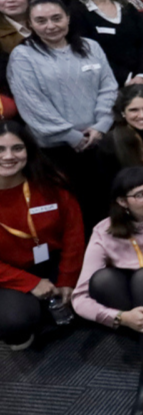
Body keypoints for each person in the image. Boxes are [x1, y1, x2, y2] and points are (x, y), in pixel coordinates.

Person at [71, 167, 143, 415]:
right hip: (132, 306)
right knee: (102, 280)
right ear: (122, 201)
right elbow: (79, 298)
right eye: (141, 194)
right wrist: (122, 318)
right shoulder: (103, 232)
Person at [8, 0, 118, 231]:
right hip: (55, 153)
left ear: (68, 18)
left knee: (106, 209)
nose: (50, 25)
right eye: (41, 20)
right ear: (30, 23)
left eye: (56, 18)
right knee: (72, 218)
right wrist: (72, 136)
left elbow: (109, 87)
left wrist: (101, 126)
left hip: (99, 143)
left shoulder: (91, 47)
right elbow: (32, 104)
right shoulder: (23, 56)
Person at [0, 121, 85, 352]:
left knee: (100, 289)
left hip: (54, 261)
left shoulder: (50, 183)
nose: (9, 156)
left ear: (28, 151)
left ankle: (53, 303)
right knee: (14, 322)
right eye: (1, 149)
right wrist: (30, 283)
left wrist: (68, 278)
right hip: (10, 274)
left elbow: (73, 233)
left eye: (17, 148)